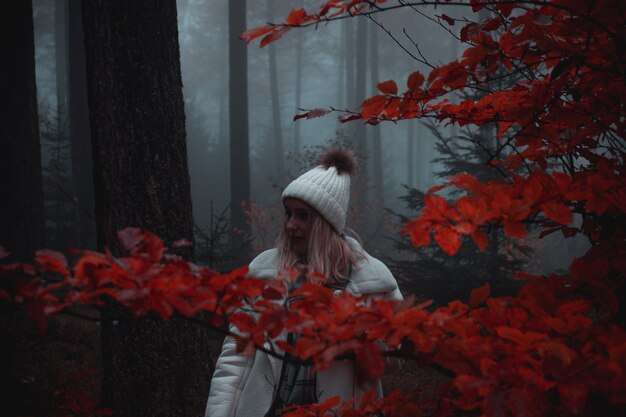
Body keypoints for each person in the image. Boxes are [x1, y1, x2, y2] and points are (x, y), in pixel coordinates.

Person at [205, 148, 402, 417]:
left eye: (302, 215)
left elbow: (389, 365)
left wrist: (350, 320)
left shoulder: (371, 280)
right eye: (288, 213)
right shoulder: (264, 272)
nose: (290, 225)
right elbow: (234, 361)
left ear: (324, 222)